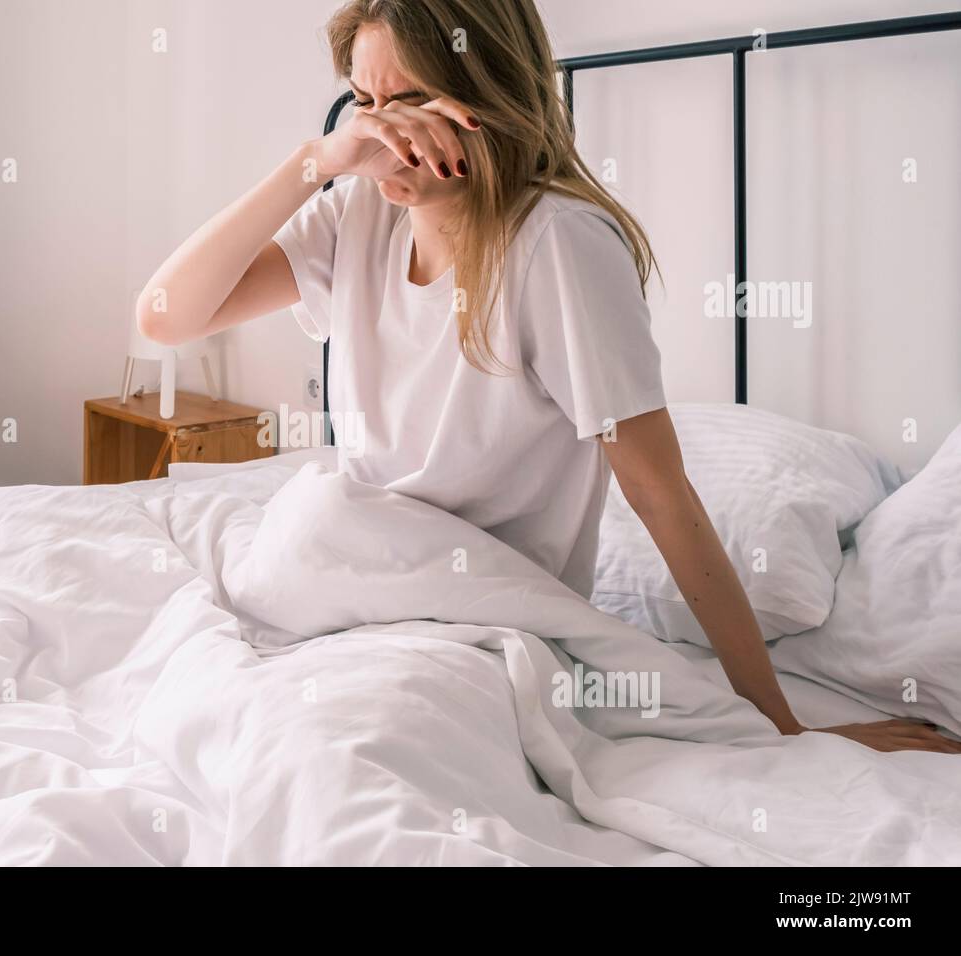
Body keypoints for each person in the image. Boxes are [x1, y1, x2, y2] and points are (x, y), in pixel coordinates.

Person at [138, 0, 959, 755]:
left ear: (482, 93)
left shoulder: (558, 245)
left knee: (345, 752)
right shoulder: (355, 211)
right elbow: (165, 315)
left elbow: (659, 494)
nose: (382, 134)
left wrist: (780, 725)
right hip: (346, 590)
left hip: (484, 620)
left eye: (410, 100)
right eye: (364, 102)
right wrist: (312, 161)